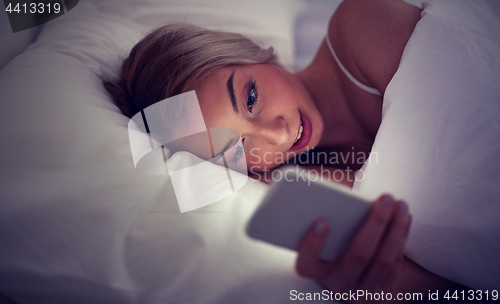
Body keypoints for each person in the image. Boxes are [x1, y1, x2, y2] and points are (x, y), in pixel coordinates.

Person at [103, 0, 466, 302]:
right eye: (238, 150)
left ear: (251, 53)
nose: (276, 134)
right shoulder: (306, 197)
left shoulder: (366, 25)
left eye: (250, 97)